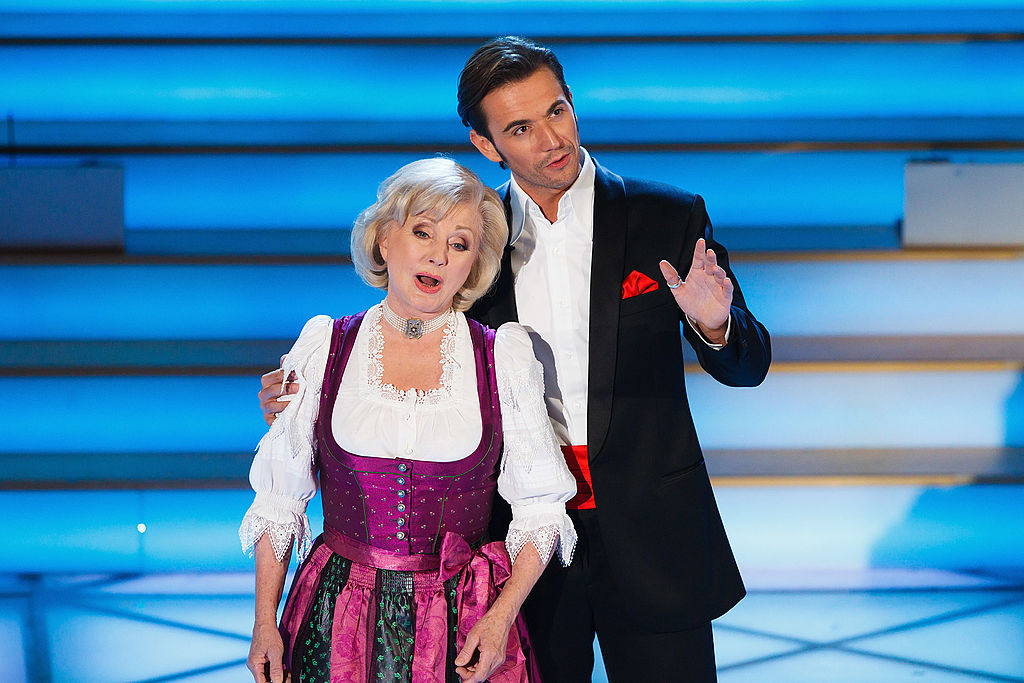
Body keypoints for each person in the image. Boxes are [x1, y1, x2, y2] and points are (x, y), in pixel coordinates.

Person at [262, 37, 771, 682]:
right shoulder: (474, 240)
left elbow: (749, 365)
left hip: (654, 530)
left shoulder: (667, 216)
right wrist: (304, 392)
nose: (552, 139)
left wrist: (714, 323)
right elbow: (411, 338)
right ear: (486, 144)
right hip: (517, 542)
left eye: (557, 111)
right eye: (521, 128)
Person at [241, 157, 577, 683]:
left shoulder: (502, 358)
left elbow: (540, 510)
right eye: (423, 232)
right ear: (383, 240)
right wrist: (265, 620)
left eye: (460, 244)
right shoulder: (325, 346)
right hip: (335, 619)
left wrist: (500, 619)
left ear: (474, 265)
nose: (439, 256)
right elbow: (279, 500)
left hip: (464, 622)